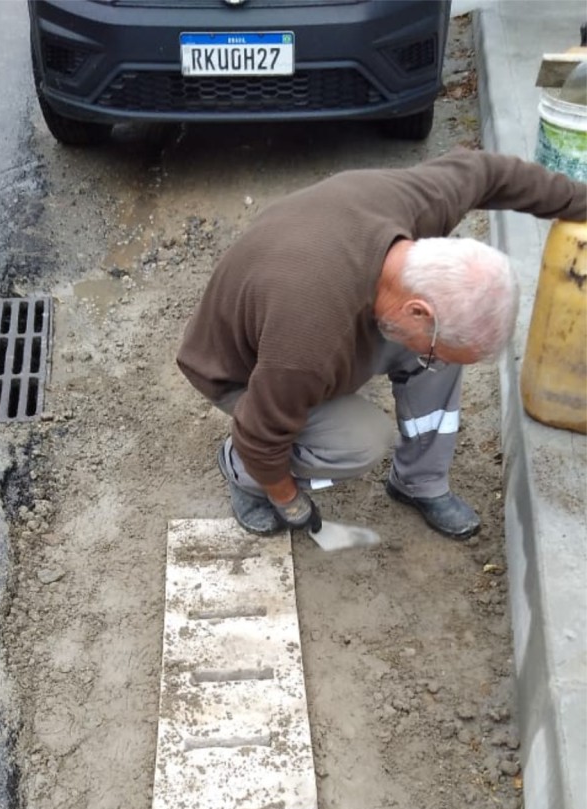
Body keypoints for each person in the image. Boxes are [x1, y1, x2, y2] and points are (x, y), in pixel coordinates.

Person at [177, 148, 587, 540]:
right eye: (432, 349)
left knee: (441, 353)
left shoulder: (423, 209)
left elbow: (491, 173)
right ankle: (242, 473)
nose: (433, 361)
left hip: (323, 314)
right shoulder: (309, 338)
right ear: (418, 311)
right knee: (362, 442)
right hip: (240, 369)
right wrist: (289, 501)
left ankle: (419, 481)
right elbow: (260, 432)